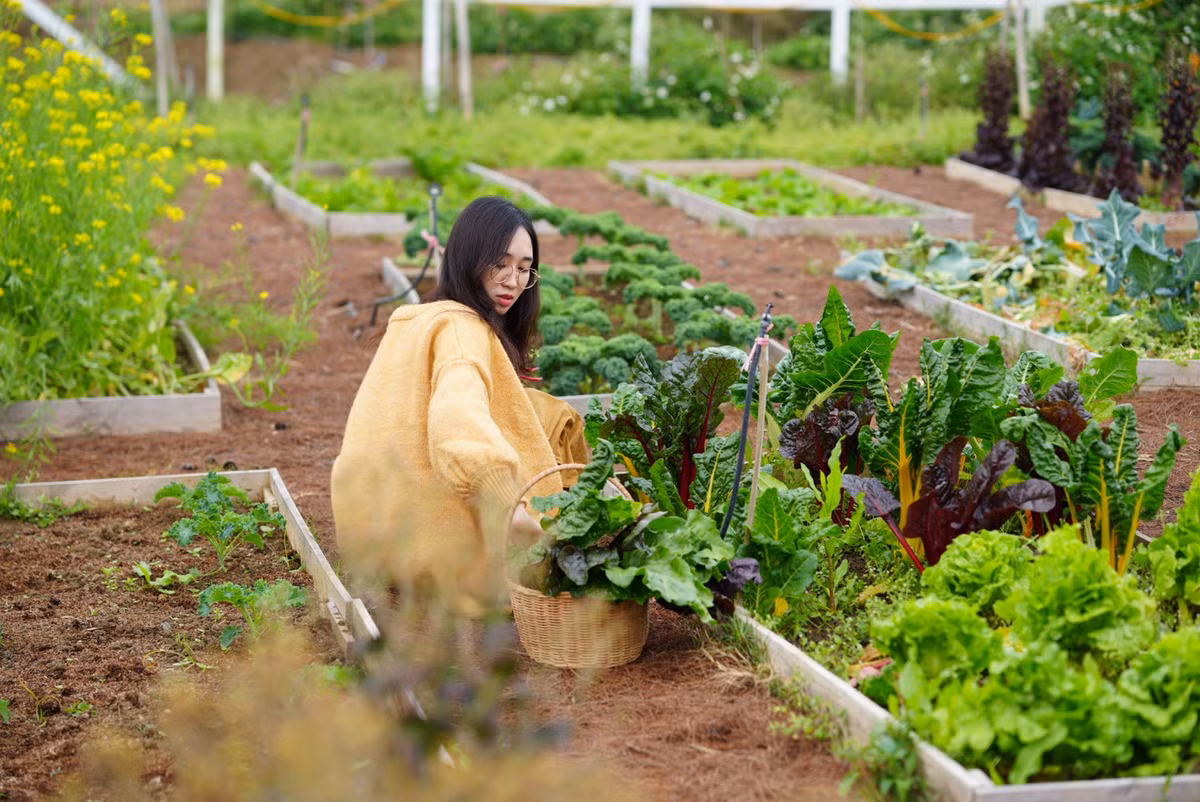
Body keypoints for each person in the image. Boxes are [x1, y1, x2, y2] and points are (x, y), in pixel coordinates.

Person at [331, 196, 587, 617]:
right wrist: (511, 509)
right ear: (469, 258)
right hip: (438, 556)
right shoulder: (462, 331)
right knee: (552, 419)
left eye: (524, 268)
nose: (512, 280)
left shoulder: (416, 319)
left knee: (532, 407)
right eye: (500, 264)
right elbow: (457, 422)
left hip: (372, 539)